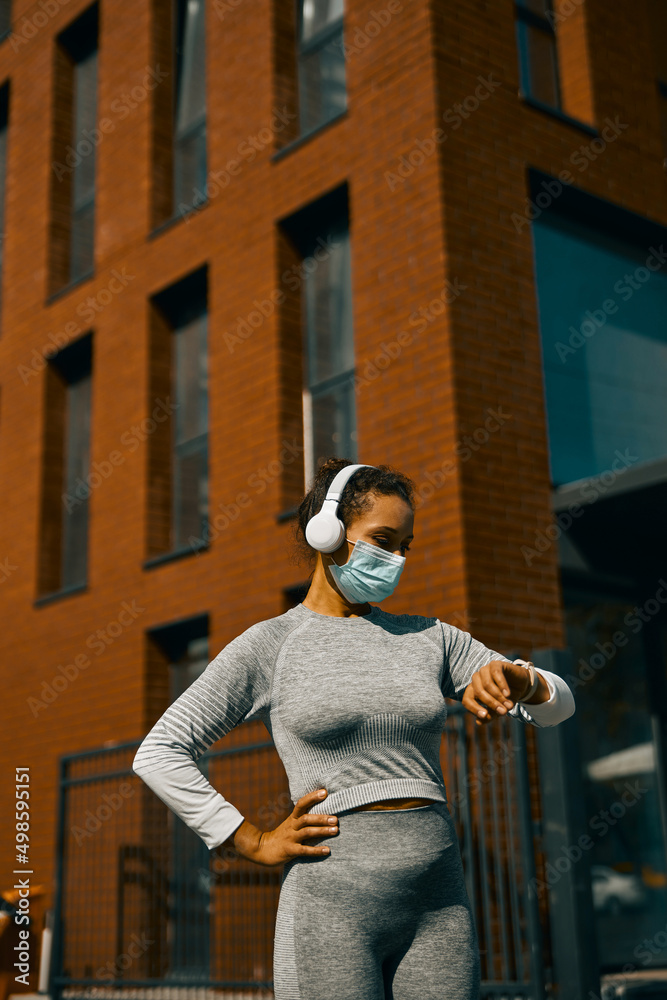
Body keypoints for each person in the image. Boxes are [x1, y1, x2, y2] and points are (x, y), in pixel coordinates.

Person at [132, 458, 575, 999]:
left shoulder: (430, 637)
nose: (395, 559)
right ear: (329, 532)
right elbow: (160, 751)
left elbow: (560, 707)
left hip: (439, 904)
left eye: (404, 546)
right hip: (331, 906)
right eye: (382, 540)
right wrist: (250, 841)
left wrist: (521, 680)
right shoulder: (272, 643)